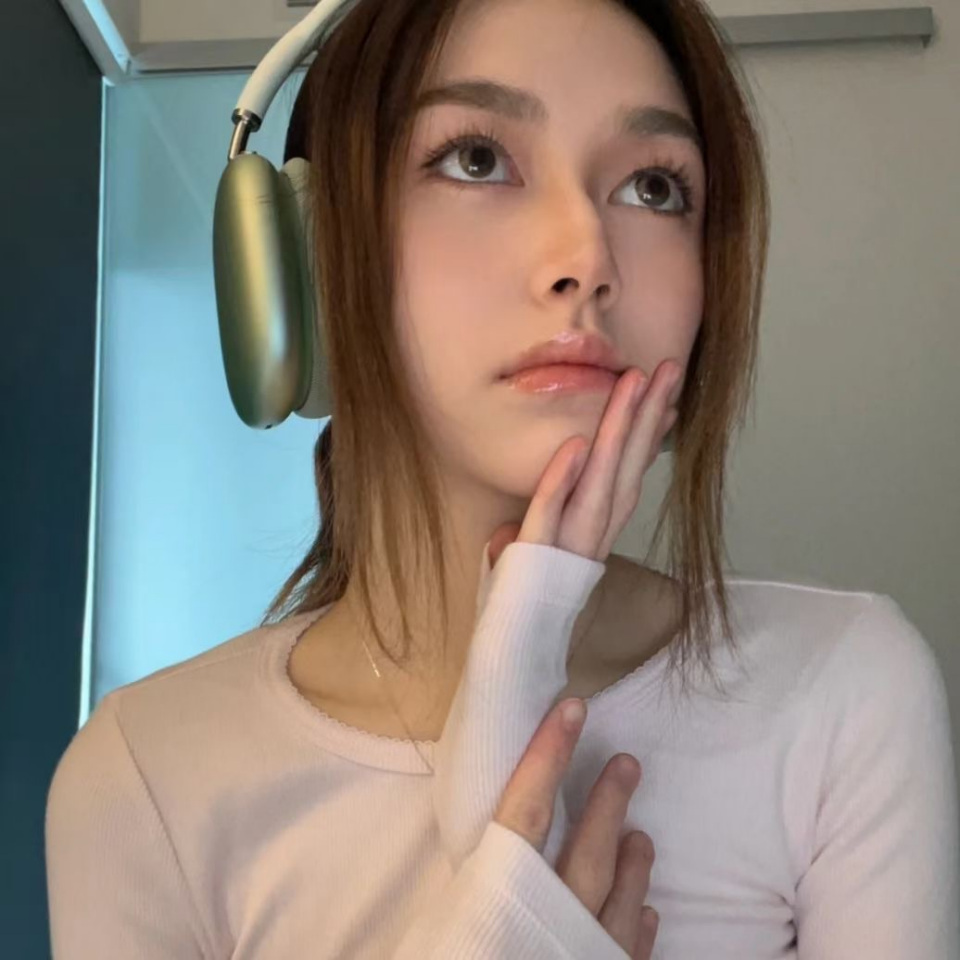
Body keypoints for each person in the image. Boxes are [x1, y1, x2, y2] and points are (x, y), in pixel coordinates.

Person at [45, 0, 959, 958]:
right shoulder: (144, 785)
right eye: (476, 160)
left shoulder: (846, 692)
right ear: (310, 260)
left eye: (653, 186)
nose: (587, 259)